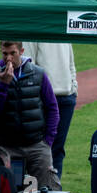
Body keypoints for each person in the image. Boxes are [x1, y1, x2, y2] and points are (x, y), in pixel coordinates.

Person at [0, 41, 61, 190]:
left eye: (13, 53)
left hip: (37, 145)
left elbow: (52, 107)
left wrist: (48, 141)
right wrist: (3, 85)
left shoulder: (38, 73)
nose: (8, 58)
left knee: (48, 192)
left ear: (21, 51)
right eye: (5, 53)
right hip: (7, 147)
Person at [26, 42, 77, 179]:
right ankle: (36, 192)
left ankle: (53, 191)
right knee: (39, 149)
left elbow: (71, 62)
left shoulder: (63, 26)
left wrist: (73, 87)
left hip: (66, 98)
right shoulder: (36, 31)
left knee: (58, 149)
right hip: (45, 99)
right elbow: (29, 65)